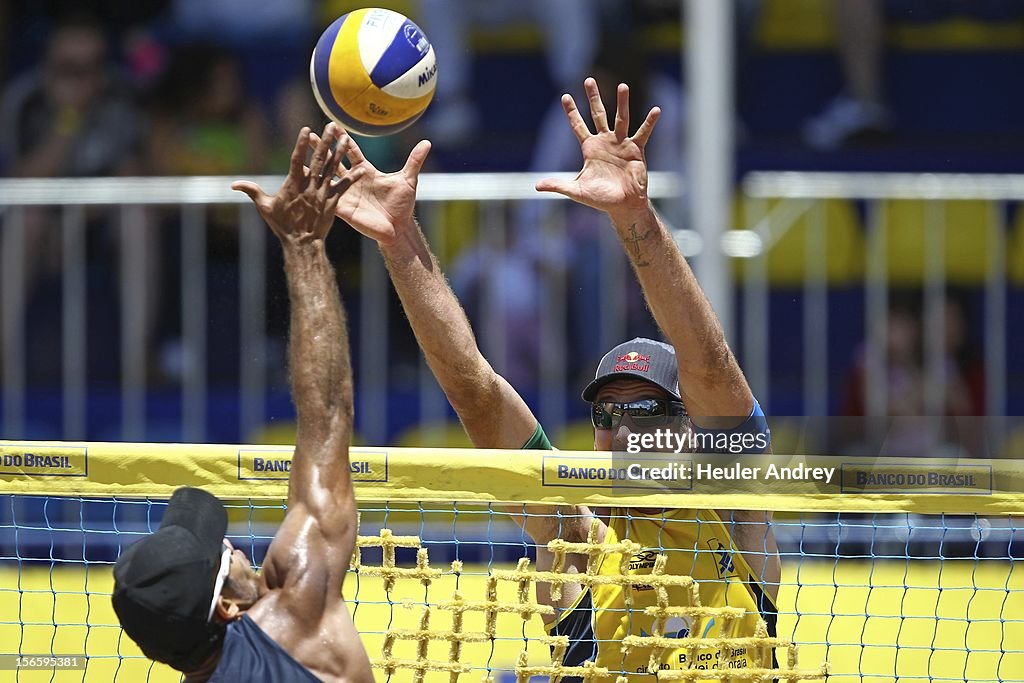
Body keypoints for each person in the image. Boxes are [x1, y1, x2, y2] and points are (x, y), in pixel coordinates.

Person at [324, 79, 779, 677]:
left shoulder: (735, 513)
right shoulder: (575, 546)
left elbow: (708, 364)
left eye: (643, 412)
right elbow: (474, 390)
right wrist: (399, 242)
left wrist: (634, 217)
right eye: (605, 413)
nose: (618, 430)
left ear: (695, 431)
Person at [111, 122, 374, 683]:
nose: (230, 544)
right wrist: (303, 246)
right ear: (227, 606)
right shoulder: (294, 625)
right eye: (219, 554)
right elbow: (328, 417)